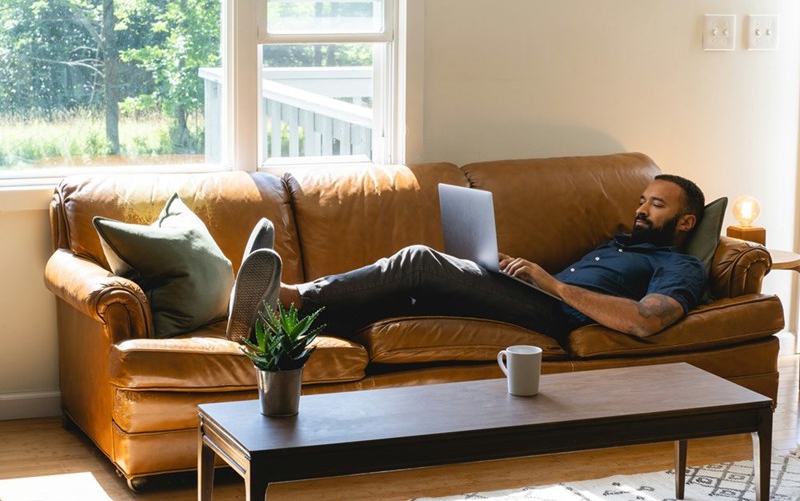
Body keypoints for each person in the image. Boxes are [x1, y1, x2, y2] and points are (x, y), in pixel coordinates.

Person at [227, 174, 707, 346]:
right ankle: (270, 324)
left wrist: (553, 285)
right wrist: (510, 269)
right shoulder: (620, 242)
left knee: (417, 261)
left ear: (685, 223)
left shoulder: (680, 267)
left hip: (555, 315)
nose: (642, 209)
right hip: (532, 295)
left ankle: (287, 297)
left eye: (656, 205)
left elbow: (646, 322)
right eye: (642, 200)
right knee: (410, 292)